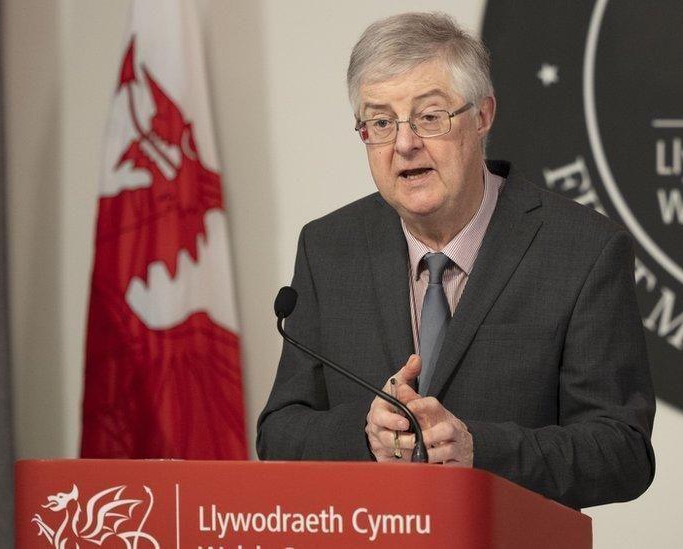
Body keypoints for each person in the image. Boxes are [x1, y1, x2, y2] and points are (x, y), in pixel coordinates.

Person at [257, 12, 655, 509]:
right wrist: (366, 435)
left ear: (483, 115)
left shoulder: (582, 251)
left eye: (429, 116)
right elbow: (279, 433)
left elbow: (622, 450)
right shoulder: (329, 249)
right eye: (381, 122)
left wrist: (478, 450)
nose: (404, 144)